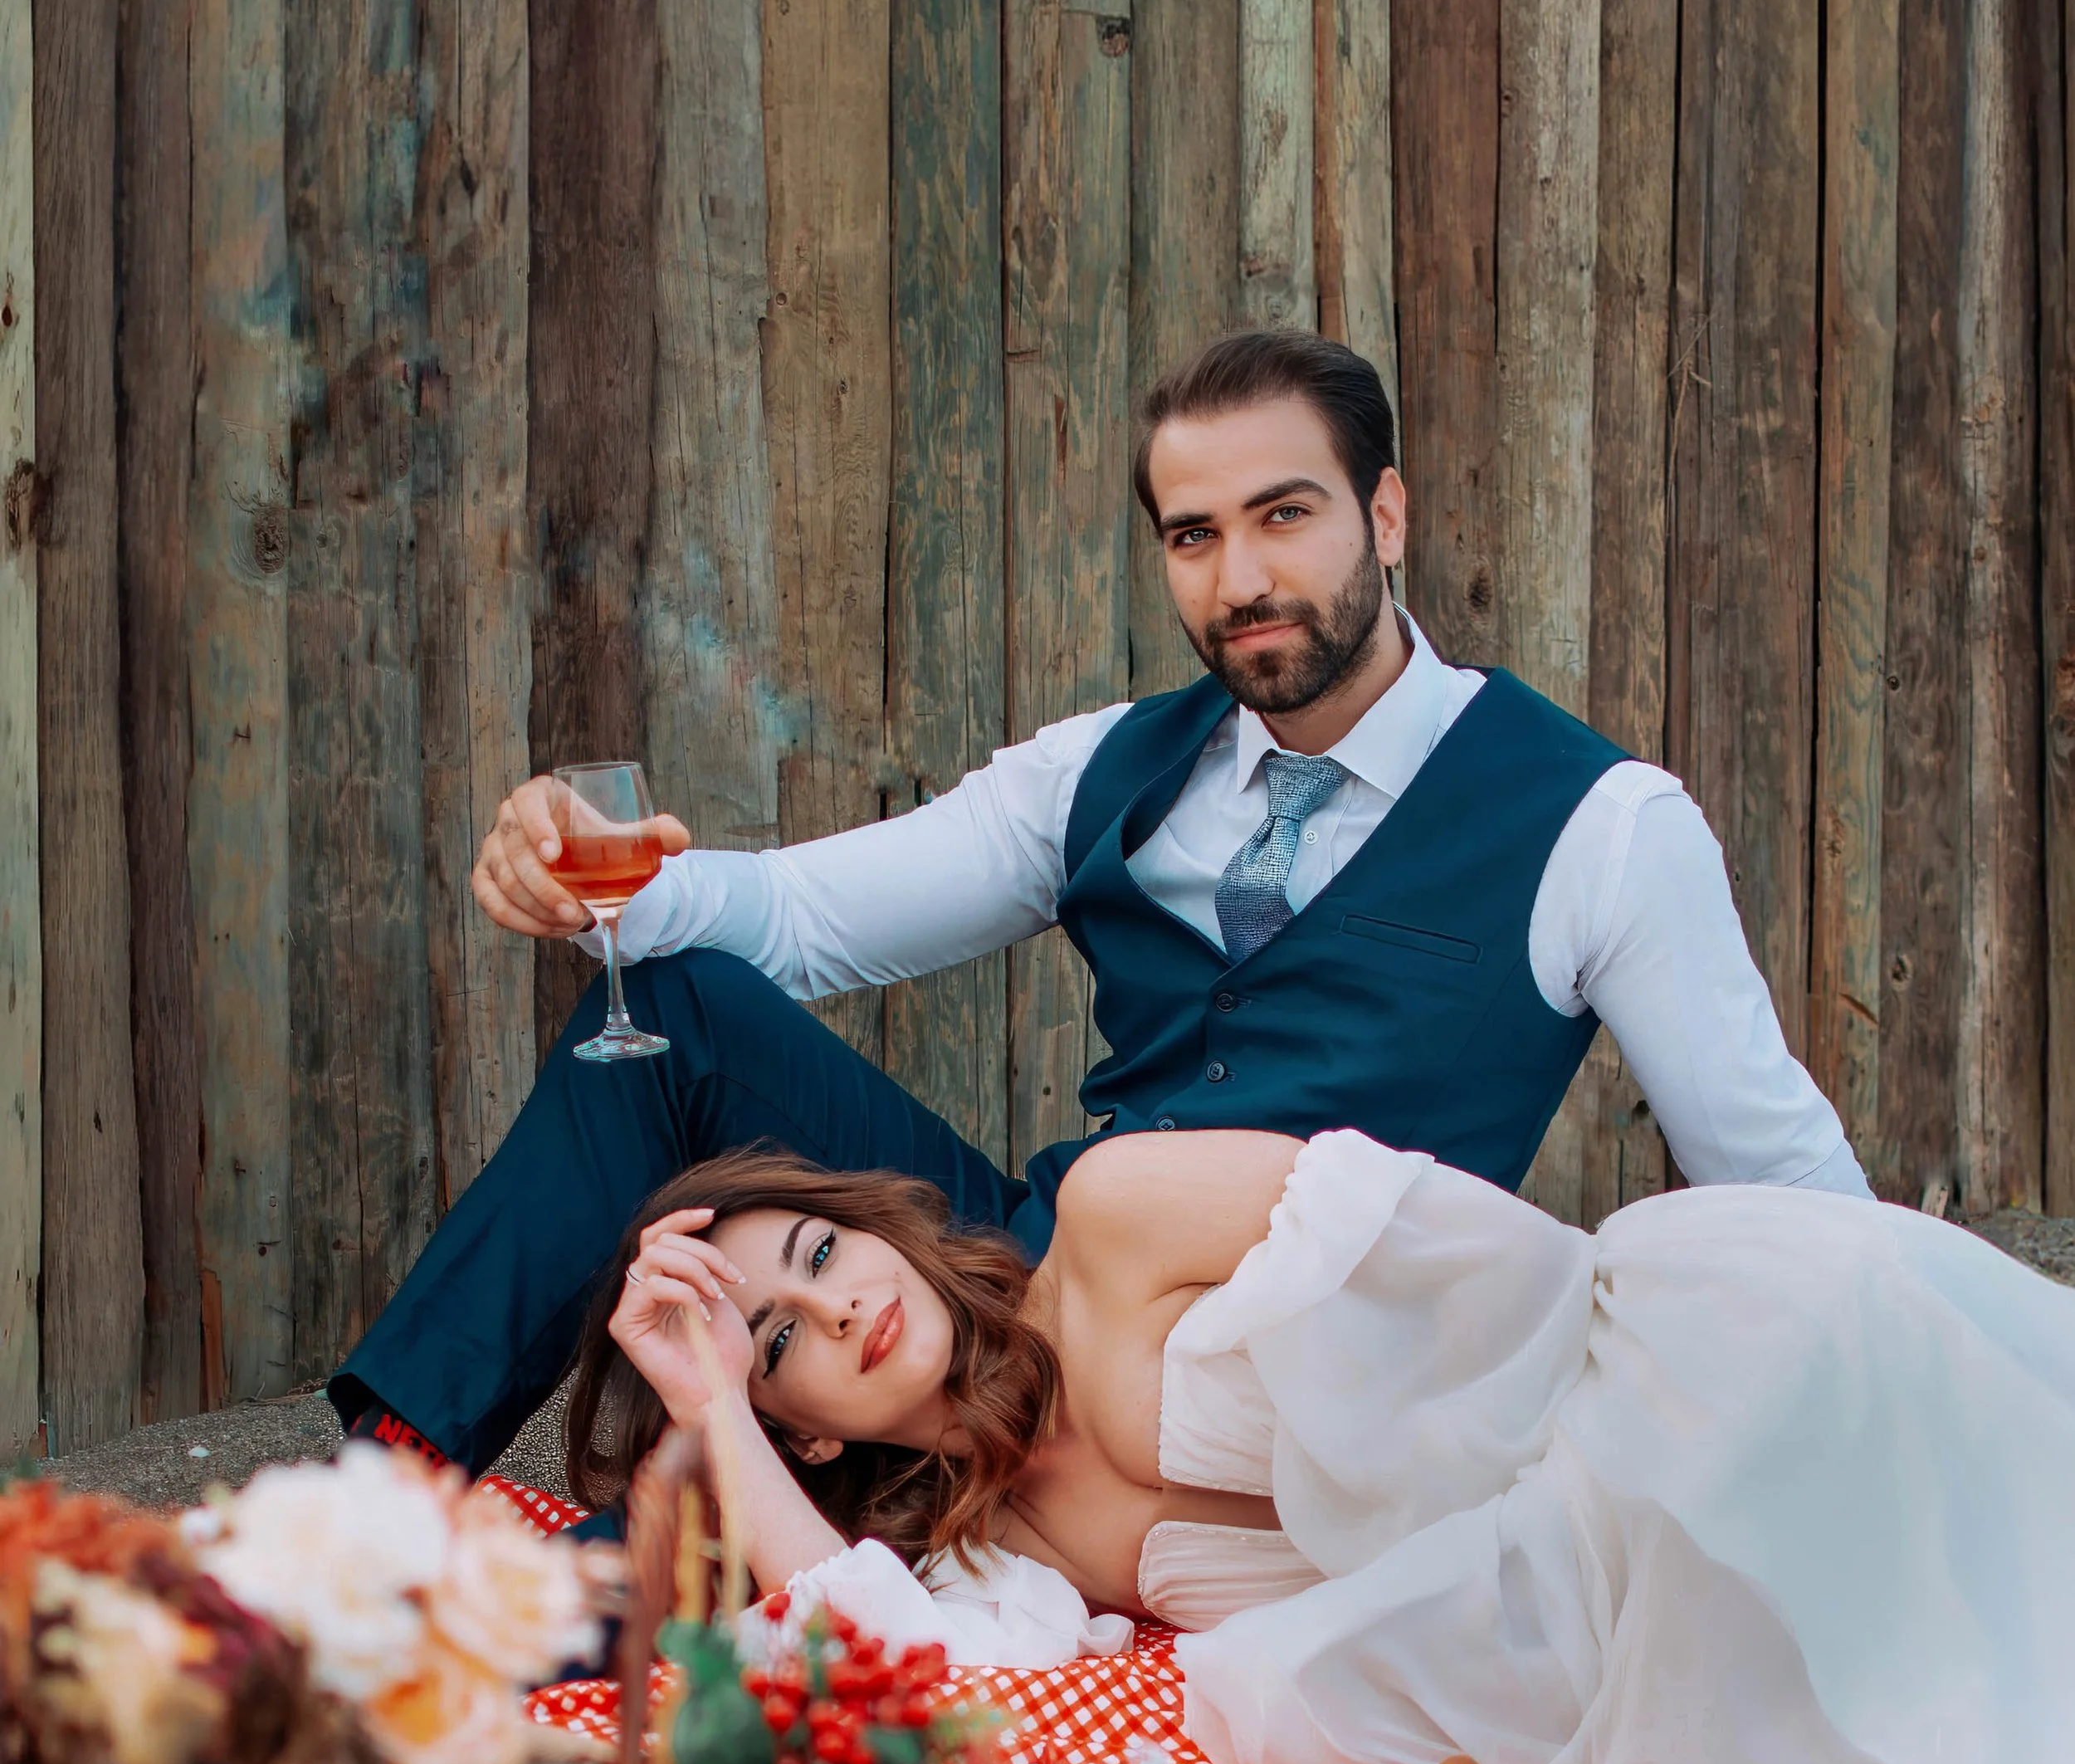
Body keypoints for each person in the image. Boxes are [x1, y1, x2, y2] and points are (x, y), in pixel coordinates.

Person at [331, 327, 1867, 1478]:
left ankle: (632, 1572)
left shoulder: (1600, 827)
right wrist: (602, 869)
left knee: (677, 1555)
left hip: (1280, 1399)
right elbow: (800, 921)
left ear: (1385, 515)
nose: (1242, 578)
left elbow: (1784, 1179)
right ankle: (394, 1490)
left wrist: (1923, 1427)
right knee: (664, 1013)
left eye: (1287, 516)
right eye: (1195, 538)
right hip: (1020, 1278)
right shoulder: (1103, 770)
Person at [570, 1130, 2075, 1764]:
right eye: (781, 1343)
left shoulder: (1115, 1217)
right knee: (1278, 1700)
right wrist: (707, 1414)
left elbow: (1503, 1265)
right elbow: (906, 1691)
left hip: (1653, 1380)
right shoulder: (1006, 1559)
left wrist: (1410, 1454)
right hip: (1549, 1590)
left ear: (879, 1225)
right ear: (804, 1429)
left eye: (823, 1253)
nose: (840, 1305)